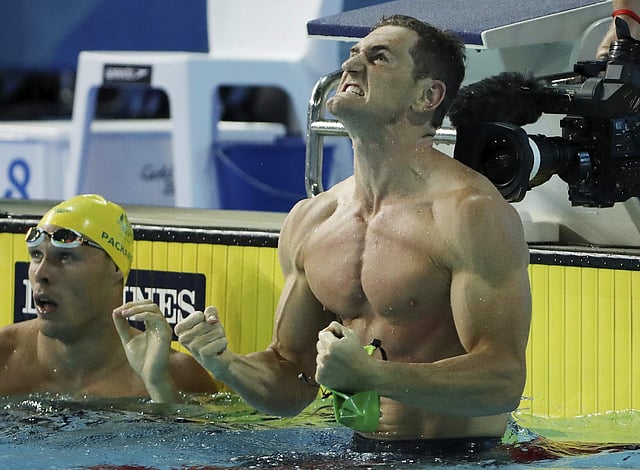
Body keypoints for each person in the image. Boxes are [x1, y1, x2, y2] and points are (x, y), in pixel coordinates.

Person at [175, 15, 531, 453]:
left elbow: (503, 381)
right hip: (359, 452)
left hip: (463, 458)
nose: (351, 66)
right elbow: (292, 379)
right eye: (352, 54)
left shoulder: (468, 213)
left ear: (427, 96)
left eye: (379, 58)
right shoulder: (312, 219)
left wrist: (374, 377)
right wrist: (225, 365)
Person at [0, 194, 217, 402]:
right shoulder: (4, 356)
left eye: (65, 256)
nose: (41, 273)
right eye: (36, 255)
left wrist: (159, 387)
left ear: (115, 267)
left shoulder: (177, 376)